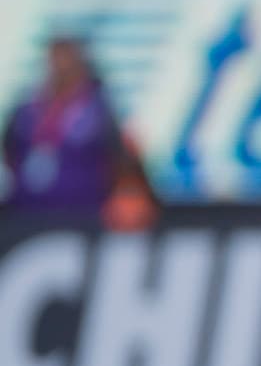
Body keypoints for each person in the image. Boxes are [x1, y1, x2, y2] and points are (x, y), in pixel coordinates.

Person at [3, 35, 155, 228]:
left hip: (84, 214)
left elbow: (120, 159)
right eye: (54, 59)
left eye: (65, 59)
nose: (59, 66)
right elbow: (10, 150)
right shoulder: (26, 109)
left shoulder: (100, 111)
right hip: (28, 212)